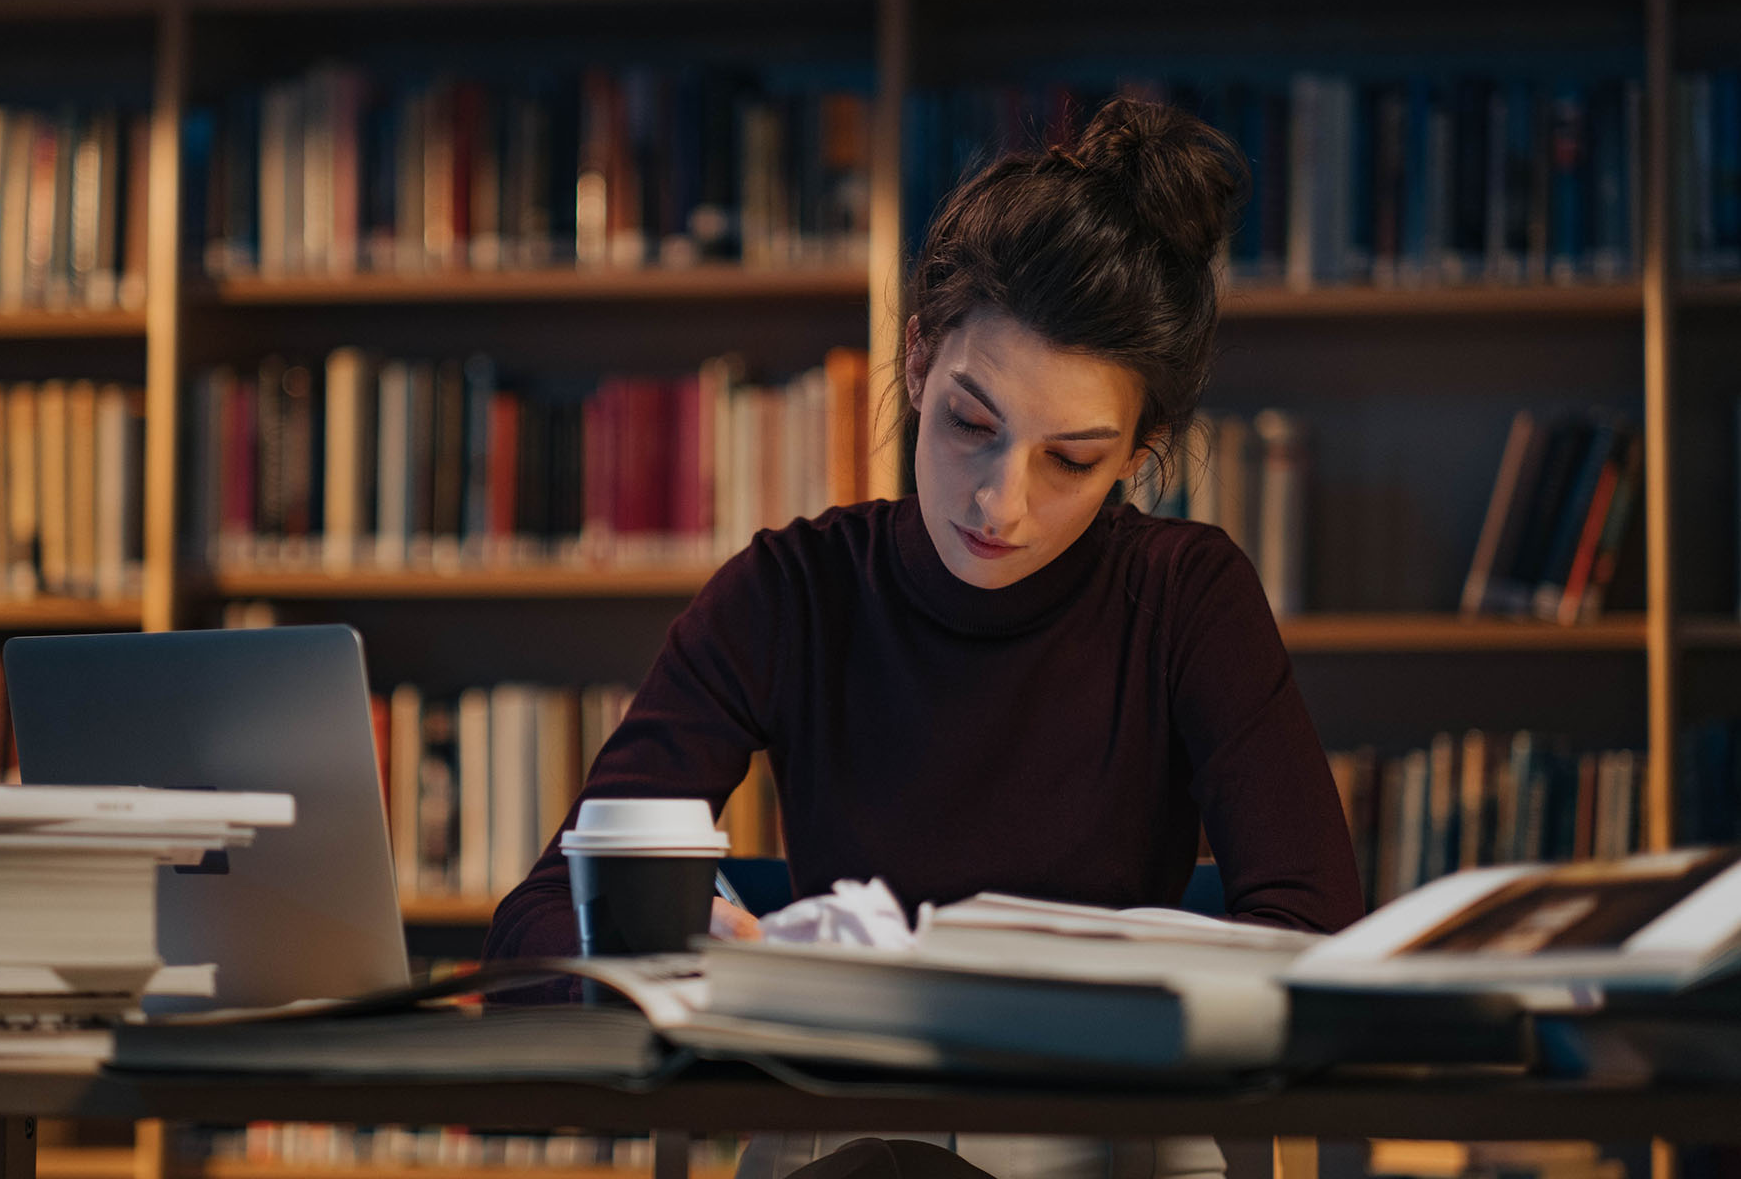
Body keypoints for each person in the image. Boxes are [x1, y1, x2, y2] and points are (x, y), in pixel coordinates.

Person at [484, 95, 1367, 1179]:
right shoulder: (791, 592)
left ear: (1144, 447)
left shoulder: (1188, 597)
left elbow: (1315, 940)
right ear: (915, 359)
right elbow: (536, 919)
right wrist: (670, 955)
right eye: (970, 423)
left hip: (1102, 1142)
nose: (1000, 501)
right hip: (851, 1137)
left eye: (1072, 458)